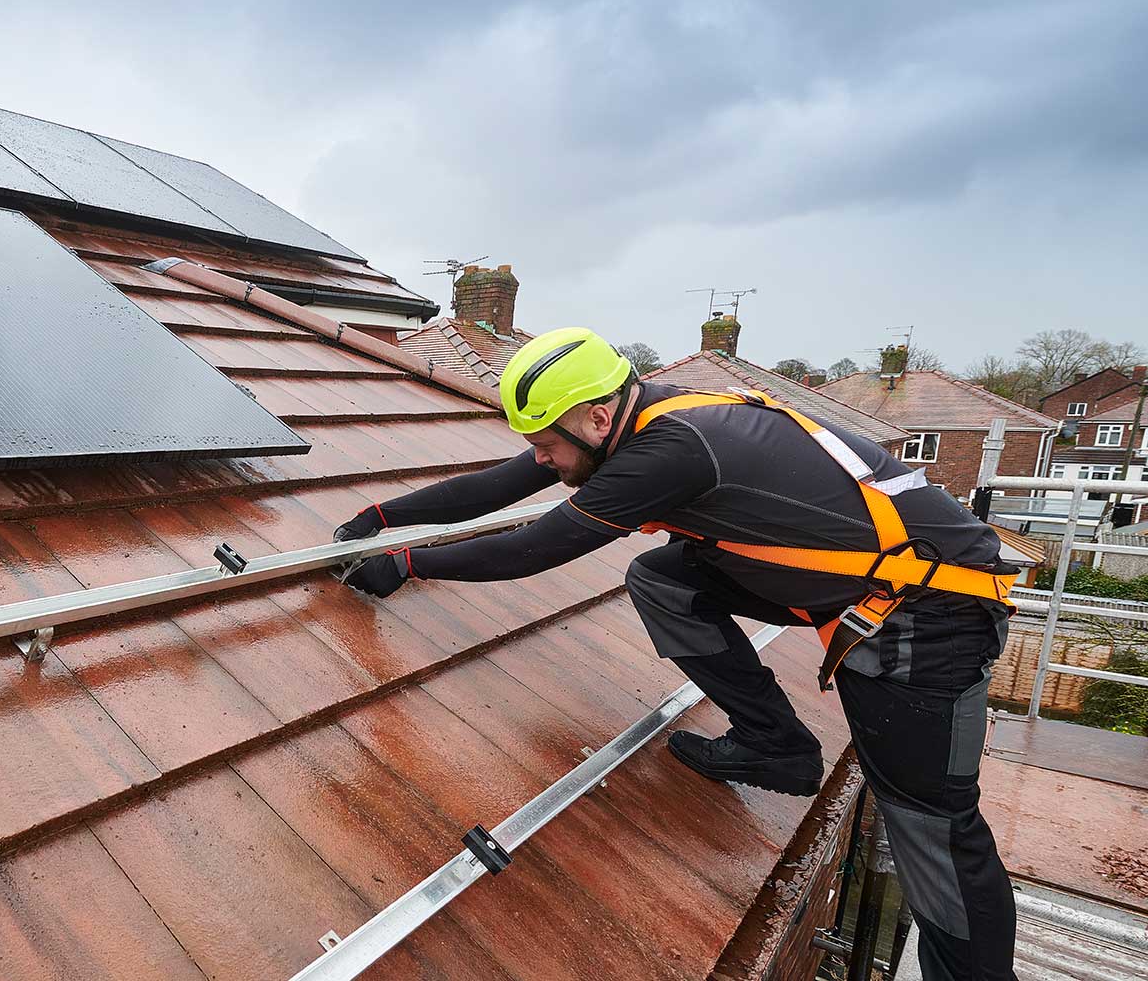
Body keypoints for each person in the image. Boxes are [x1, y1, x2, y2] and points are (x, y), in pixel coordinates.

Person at [332, 326, 1020, 981]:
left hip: (927, 611)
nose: (539, 458)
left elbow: (533, 549)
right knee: (665, 579)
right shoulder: (638, 417)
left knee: (931, 824)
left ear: (597, 418)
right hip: (859, 582)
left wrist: (410, 564)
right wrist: (381, 518)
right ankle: (774, 744)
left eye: (545, 445)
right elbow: (497, 487)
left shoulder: (671, 451)